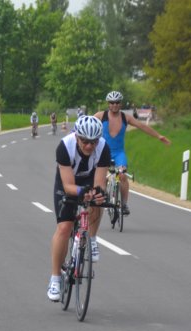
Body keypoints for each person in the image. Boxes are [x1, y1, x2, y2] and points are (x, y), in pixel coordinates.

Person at [47, 115, 111, 301]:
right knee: (64, 227)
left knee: (98, 199)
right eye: (85, 141)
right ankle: (55, 278)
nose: (89, 146)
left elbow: (100, 182)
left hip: (89, 179)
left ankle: (92, 238)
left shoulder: (103, 148)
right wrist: (82, 191)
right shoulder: (64, 147)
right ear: (76, 136)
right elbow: (68, 186)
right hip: (68, 183)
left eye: (93, 142)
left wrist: (97, 193)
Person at [94, 90, 171, 215]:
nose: (114, 105)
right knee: (102, 178)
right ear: (108, 104)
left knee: (122, 175)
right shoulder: (100, 115)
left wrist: (158, 136)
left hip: (119, 153)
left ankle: (124, 204)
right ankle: (105, 195)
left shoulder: (125, 117)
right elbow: (86, 125)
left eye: (117, 102)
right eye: (112, 103)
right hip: (103, 152)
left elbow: (142, 126)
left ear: (121, 104)